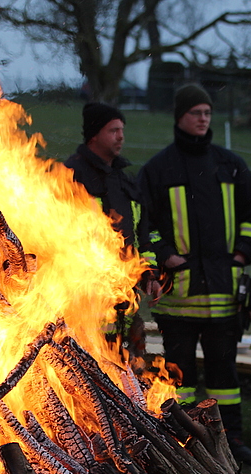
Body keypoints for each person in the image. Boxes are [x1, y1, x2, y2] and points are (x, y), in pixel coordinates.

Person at [138, 84, 251, 465]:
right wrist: (165, 255)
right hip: (178, 297)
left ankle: (231, 441)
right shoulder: (159, 169)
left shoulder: (230, 165)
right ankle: (185, 443)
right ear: (180, 116)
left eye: (208, 113)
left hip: (224, 294)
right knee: (178, 375)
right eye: (196, 112)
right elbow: (146, 224)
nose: (203, 119)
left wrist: (242, 254)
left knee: (224, 376)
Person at [64, 102, 157, 357]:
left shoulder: (125, 181)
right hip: (86, 302)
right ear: (94, 134)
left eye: (122, 130)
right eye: (113, 130)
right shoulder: (71, 177)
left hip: (127, 299)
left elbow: (143, 233)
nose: (121, 137)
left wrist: (149, 272)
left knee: (133, 373)